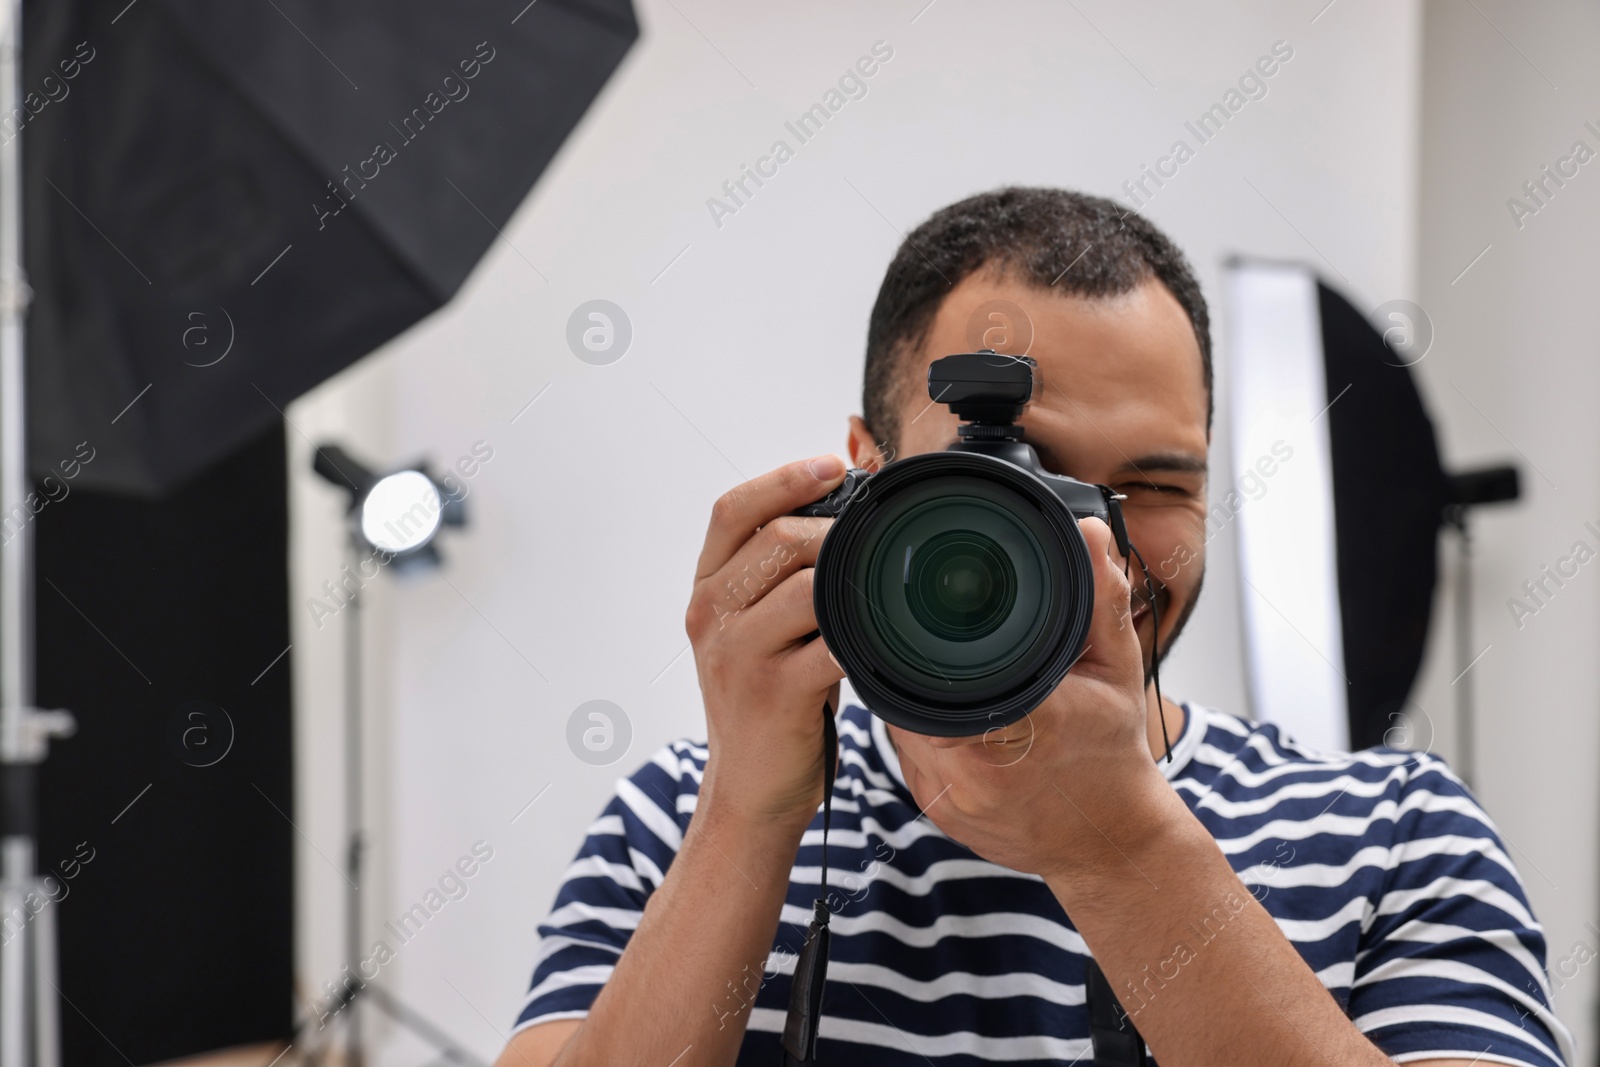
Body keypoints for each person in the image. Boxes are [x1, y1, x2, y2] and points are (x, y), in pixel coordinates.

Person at [494, 188, 1573, 1066]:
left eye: (1151, 484)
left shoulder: (1393, 832)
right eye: (1024, 484)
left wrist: (1123, 848)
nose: (1096, 552)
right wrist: (746, 814)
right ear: (867, 476)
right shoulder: (680, 816)